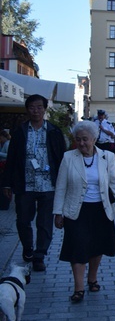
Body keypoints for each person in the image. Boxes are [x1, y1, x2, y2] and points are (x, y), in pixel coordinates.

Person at [53, 121, 115, 303]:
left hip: (101, 209)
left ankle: (92, 278)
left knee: (97, 246)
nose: (81, 143)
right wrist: (57, 212)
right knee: (78, 247)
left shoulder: (107, 157)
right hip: (76, 211)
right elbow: (61, 187)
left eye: (85, 139)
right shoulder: (68, 157)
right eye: (78, 139)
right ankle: (78, 288)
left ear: (94, 139)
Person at [2, 94, 67, 272]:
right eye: (32, 107)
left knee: (45, 222)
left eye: (39, 107)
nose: (36, 111)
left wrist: (64, 183)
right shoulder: (20, 131)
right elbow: (12, 159)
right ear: (27, 110)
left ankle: (40, 255)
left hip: (48, 185)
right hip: (25, 184)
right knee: (23, 220)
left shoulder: (54, 131)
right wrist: (7, 184)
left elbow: (62, 158)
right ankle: (27, 248)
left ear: (45, 109)